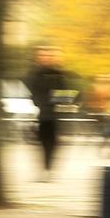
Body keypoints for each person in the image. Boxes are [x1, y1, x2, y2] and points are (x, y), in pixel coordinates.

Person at [23, 46, 71, 182]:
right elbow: (33, 93)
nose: (45, 58)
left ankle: (48, 170)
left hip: (55, 114)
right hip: (43, 114)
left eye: (47, 56)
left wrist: (50, 99)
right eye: (42, 56)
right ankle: (45, 170)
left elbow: (64, 94)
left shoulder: (58, 74)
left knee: (53, 143)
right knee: (43, 143)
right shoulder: (35, 74)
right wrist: (44, 100)